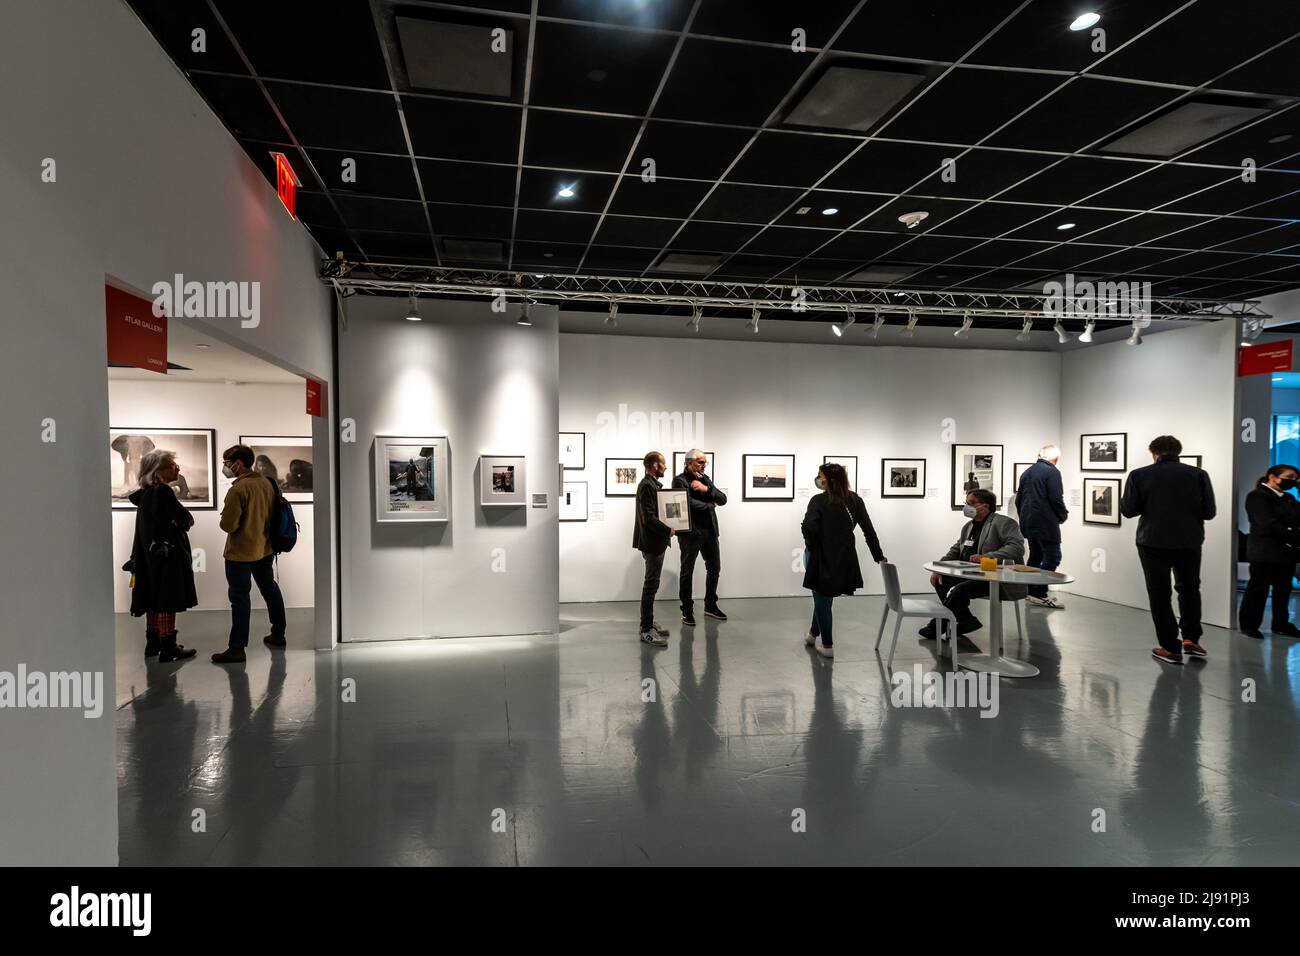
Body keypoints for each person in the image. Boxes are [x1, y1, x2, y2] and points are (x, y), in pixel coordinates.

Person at [1120, 435, 1216, 666]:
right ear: (1178, 452)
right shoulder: (1198, 475)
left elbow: (1129, 511)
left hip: (1152, 541)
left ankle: (1170, 648)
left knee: (1160, 595)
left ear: (1153, 452)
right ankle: (1191, 639)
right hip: (1189, 541)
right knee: (1190, 589)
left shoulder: (1139, 475)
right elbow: (1209, 512)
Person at [800, 462, 886, 659]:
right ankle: (813, 634)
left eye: (820, 475)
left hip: (820, 554)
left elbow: (809, 528)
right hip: (844, 554)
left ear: (828, 479)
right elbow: (868, 529)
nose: (817, 478)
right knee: (823, 597)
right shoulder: (855, 500)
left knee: (822, 597)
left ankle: (828, 645)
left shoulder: (818, 500)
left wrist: (812, 546)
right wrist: (878, 555)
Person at [212, 444, 287, 663]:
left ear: (238, 463)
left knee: (240, 599)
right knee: (270, 589)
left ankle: (237, 648)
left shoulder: (238, 489)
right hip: (264, 549)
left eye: (227, 463)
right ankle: (278, 633)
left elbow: (228, 525)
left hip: (240, 554)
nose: (225, 467)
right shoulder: (266, 483)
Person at [921, 488, 1026, 638]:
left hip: (994, 578)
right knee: (940, 581)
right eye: (966, 503)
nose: (966, 507)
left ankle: (939, 625)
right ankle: (966, 620)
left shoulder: (1004, 523)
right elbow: (955, 551)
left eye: (971, 503)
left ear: (985, 506)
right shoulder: (968, 527)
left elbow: (1016, 548)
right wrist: (939, 568)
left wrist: (987, 557)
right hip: (970, 574)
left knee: (958, 591)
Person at [125, 450, 198, 662]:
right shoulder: (163, 493)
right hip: (167, 555)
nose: (178, 469)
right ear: (159, 471)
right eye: (173, 465)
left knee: (153, 596)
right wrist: (181, 522)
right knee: (167, 598)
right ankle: (169, 647)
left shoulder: (147, 494)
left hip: (150, 556)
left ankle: (153, 642)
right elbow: (185, 519)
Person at [1239, 463, 1300, 640]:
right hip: (1265, 551)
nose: (1292, 481)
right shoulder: (1257, 496)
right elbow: (1267, 523)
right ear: (1272, 477)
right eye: (1289, 477)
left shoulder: (1288, 498)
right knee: (1258, 590)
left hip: (1286, 553)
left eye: (1295, 479)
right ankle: (1249, 625)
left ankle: (1281, 624)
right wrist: (1293, 536)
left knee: (1283, 590)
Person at [673, 448, 728, 626]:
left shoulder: (705, 480)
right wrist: (710, 506)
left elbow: (723, 499)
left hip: (710, 532)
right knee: (687, 571)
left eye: (705, 462)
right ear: (689, 463)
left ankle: (710, 605)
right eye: (700, 462)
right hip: (690, 534)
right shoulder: (679, 481)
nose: (704, 465)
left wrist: (705, 488)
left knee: (714, 568)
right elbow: (685, 503)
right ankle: (687, 610)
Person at [1015, 444, 1069, 609]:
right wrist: (1062, 515)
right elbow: (1055, 498)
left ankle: (1031, 591)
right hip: (1046, 522)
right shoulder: (1052, 472)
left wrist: (1024, 517)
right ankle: (1039, 592)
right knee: (1053, 557)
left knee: (1036, 556)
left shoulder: (1027, 472)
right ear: (1056, 459)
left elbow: (1019, 500)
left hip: (1028, 521)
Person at [633, 452, 675, 646]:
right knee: (650, 586)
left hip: (655, 541)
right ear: (654, 465)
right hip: (653, 543)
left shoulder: (652, 486)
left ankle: (649, 623)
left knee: (652, 585)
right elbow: (648, 518)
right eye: (663, 463)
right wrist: (668, 529)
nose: (666, 467)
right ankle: (646, 629)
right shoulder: (647, 486)